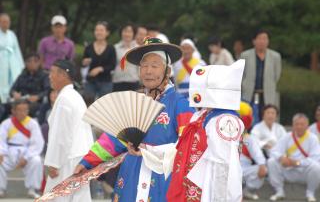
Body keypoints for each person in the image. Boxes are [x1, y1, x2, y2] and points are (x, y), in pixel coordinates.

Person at [74, 37, 194, 202]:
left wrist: (151, 152)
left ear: (168, 70)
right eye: (144, 66)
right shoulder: (134, 103)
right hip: (132, 174)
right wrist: (87, 162)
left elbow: (189, 147)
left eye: (154, 65)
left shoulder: (181, 105)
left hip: (163, 177)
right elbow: (113, 138)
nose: (148, 71)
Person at [168, 60, 246, 202]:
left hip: (208, 190)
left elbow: (223, 168)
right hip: (194, 185)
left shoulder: (224, 120)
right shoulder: (203, 114)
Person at [44, 60, 94, 201]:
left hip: (68, 158)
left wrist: (53, 163)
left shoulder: (65, 99)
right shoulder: (74, 96)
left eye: (52, 72)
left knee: (58, 197)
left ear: (63, 75)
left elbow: (61, 135)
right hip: (80, 156)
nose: (49, 76)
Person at [268, 113, 320, 202]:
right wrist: (282, 158)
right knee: (271, 161)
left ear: (307, 125)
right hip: (288, 168)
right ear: (293, 125)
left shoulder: (313, 138)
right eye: (297, 124)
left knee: (316, 166)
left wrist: (297, 162)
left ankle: (310, 193)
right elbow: (274, 151)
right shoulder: (287, 136)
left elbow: (315, 158)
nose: (299, 127)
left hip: (304, 170)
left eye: (302, 124)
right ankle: (279, 192)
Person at [0, 99, 44, 198]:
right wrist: (1, 152)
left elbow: (37, 143)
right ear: (13, 111)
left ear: (28, 111)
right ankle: (0, 189)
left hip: (26, 152)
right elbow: (1, 140)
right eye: (19, 110)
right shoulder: (6, 123)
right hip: (9, 152)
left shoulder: (33, 123)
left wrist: (26, 157)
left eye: (25, 110)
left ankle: (32, 189)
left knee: (36, 160)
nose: (22, 113)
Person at [241, 29, 282, 124]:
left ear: (268, 41)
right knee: (248, 119)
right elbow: (242, 75)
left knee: (267, 118)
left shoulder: (275, 56)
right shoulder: (245, 55)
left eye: (265, 39)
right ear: (254, 41)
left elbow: (277, 75)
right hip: (249, 93)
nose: (262, 41)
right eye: (259, 38)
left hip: (267, 93)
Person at [238, 102, 267, 200]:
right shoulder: (224, 136)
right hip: (227, 169)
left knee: (262, 169)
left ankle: (246, 191)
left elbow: (257, 153)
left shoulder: (249, 139)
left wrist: (262, 164)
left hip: (243, 170)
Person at [82, 21, 116, 98]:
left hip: (106, 82)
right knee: (88, 105)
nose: (99, 32)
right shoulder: (88, 47)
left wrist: (100, 69)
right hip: (90, 81)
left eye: (101, 30)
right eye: (97, 30)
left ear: (107, 33)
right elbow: (83, 63)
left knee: (104, 107)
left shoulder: (111, 48)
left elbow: (112, 66)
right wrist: (85, 62)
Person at [0, 13, 24, 103]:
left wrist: (21, 65)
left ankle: (11, 100)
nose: (5, 24)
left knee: (13, 80)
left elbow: (17, 49)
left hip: (12, 61)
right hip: (1, 61)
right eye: (3, 22)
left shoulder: (12, 34)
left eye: (7, 22)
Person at [112, 23, 139, 92]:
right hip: (118, 82)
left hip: (133, 81)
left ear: (134, 34)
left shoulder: (138, 48)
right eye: (125, 31)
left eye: (130, 32)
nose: (127, 34)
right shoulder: (115, 48)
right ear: (121, 33)